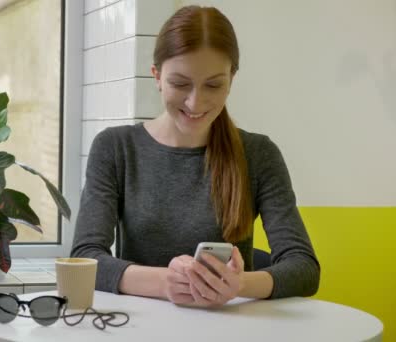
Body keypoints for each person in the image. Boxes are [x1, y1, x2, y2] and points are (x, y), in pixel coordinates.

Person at [70, 5, 320, 308]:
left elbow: (304, 268)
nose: (195, 101)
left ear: (232, 80)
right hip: (137, 328)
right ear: (157, 76)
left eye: (214, 85)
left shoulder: (259, 154)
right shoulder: (115, 148)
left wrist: (239, 285)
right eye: (180, 84)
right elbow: (85, 257)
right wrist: (167, 283)